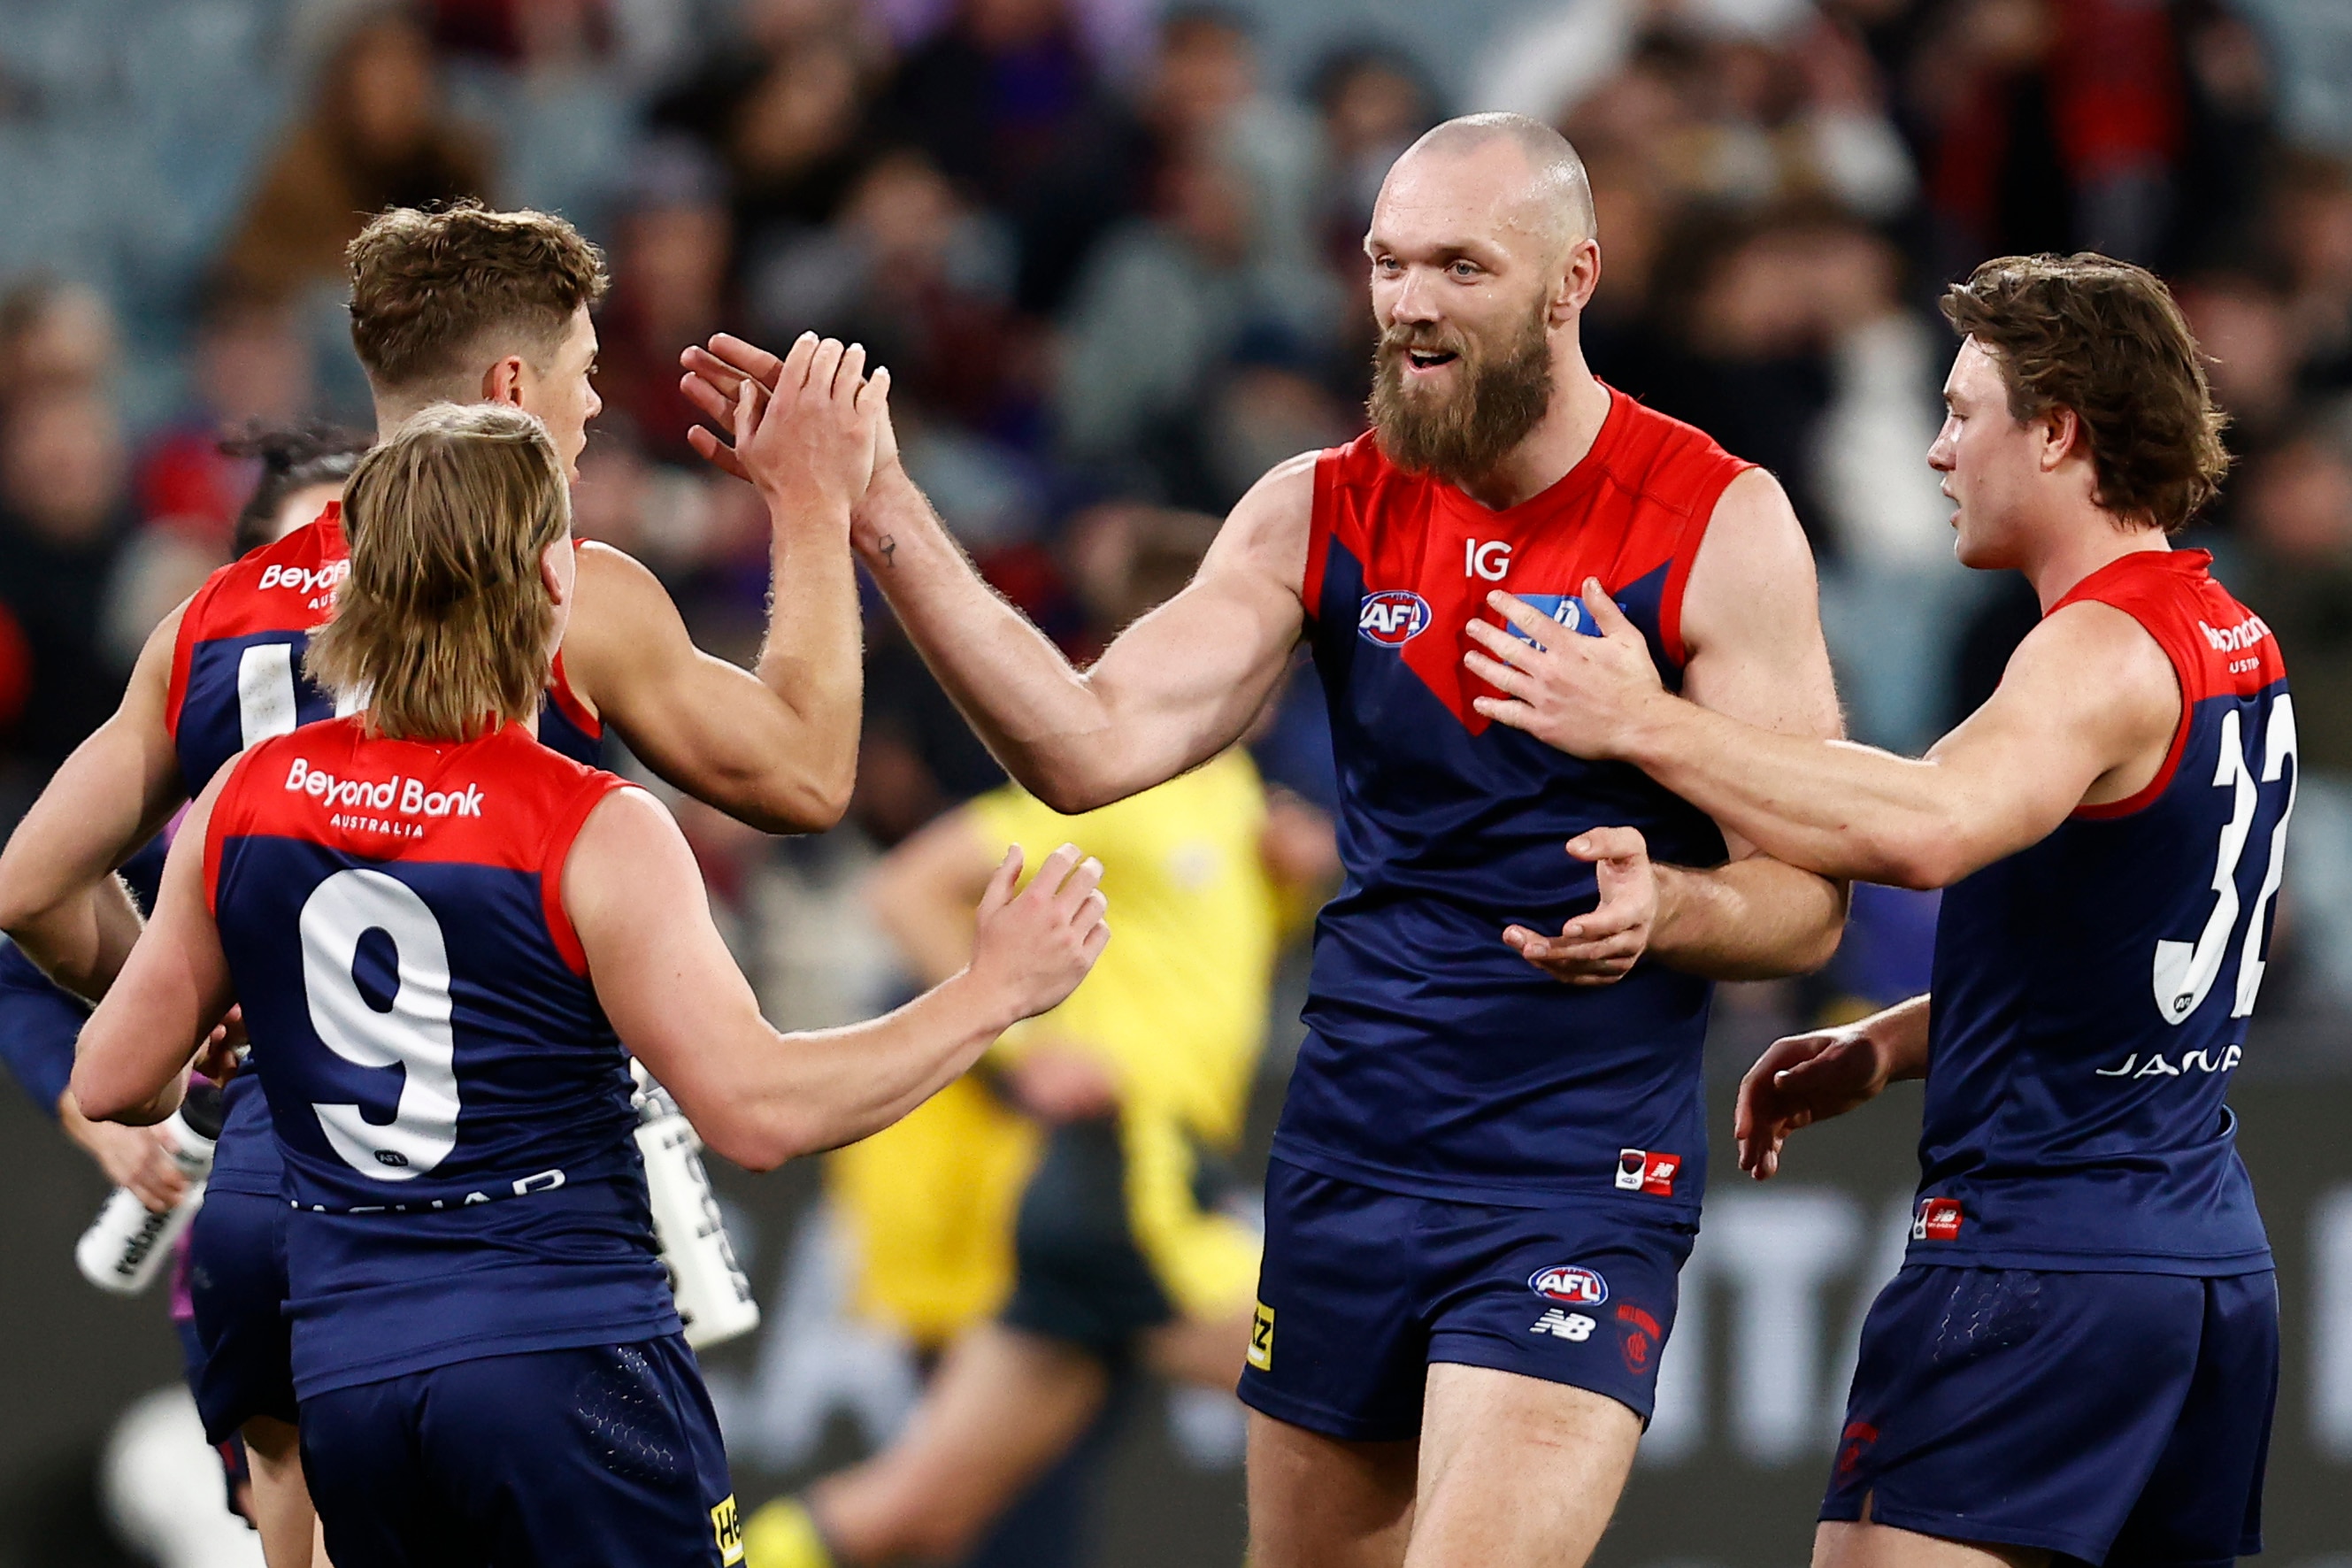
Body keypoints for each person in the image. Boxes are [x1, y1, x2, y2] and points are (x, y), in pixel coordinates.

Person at [688, 111, 1848, 1568]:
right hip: (1345, 1154)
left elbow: (1805, 900)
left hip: (1571, 1168)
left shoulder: (1713, 520)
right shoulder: (1319, 506)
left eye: (1458, 267)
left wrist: (1667, 906)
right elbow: (1082, 743)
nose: (1410, 302)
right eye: (1385, 263)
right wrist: (884, 507)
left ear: (1572, 279)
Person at [65, 402, 1111, 1568]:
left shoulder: (245, 796)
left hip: (354, 1377)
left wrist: (231, 1018)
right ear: (554, 583)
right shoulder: (591, 829)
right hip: (565, 1363)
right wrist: (990, 993)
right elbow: (759, 1113)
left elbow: (112, 1075)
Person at [0, 201, 870, 1567]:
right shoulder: (567, 591)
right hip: (503, 1221)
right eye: (583, 376)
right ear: (513, 389)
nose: (591, 411)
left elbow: (31, 884)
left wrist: (212, 1000)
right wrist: (815, 515)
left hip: (277, 1195)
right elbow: (808, 779)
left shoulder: (213, 615)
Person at [1461, 252, 2283, 1568]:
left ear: (2058, 429)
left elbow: (1924, 827)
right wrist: (1891, 1042)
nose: (1935, 451)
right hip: (2200, 1267)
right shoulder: (2226, 628)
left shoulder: (2089, 651)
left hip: (2037, 1265)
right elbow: (2133, 952)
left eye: (1962, 413)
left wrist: (1640, 722)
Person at [748, 508, 1338, 1568]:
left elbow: (1184, 955)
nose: (1273, 673)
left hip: (1126, 1185)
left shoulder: (1235, 807)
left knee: (916, 1509)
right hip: (1123, 1174)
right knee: (1350, 1379)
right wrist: (1022, 1048)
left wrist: (1296, 883)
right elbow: (911, 886)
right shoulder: (1125, 784)